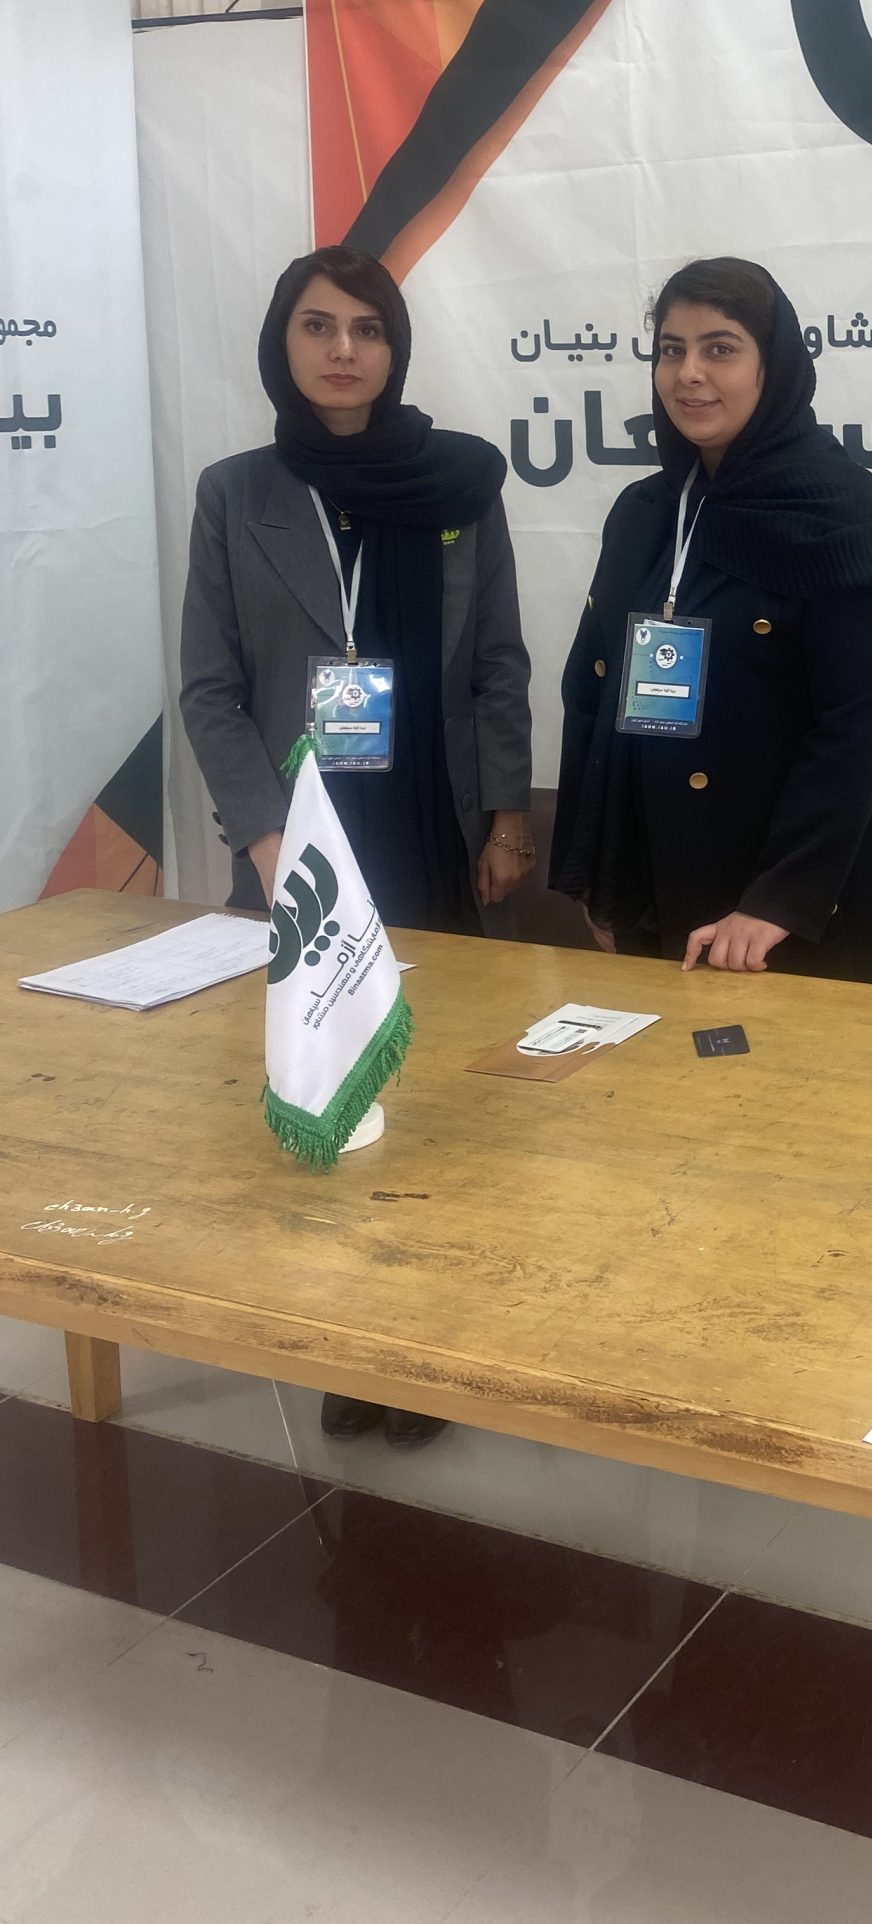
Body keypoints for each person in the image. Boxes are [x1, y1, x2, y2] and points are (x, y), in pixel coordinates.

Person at [180, 247, 535, 1450]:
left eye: (368, 328)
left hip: (433, 823)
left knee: (437, 1085)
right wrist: (263, 835)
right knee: (325, 1070)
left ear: (397, 347)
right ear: (281, 344)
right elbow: (211, 687)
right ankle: (345, 1336)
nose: (344, 350)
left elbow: (498, 659)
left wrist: (507, 815)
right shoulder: (236, 495)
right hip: (306, 843)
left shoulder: (460, 482)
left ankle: (430, 1340)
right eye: (318, 326)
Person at [552, 255, 872, 991]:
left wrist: (778, 900)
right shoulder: (644, 516)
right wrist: (596, 870)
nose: (689, 374)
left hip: (818, 911)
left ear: (774, 366)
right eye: (671, 350)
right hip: (663, 886)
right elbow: (593, 691)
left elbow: (861, 725)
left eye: (720, 348)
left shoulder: (840, 514)